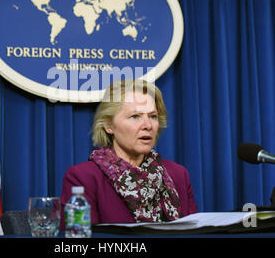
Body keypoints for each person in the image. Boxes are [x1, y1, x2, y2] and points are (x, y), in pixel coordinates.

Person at [60, 79, 198, 227]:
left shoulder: (178, 175)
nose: (148, 125)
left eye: (153, 116)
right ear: (109, 125)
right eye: (135, 116)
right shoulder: (83, 178)